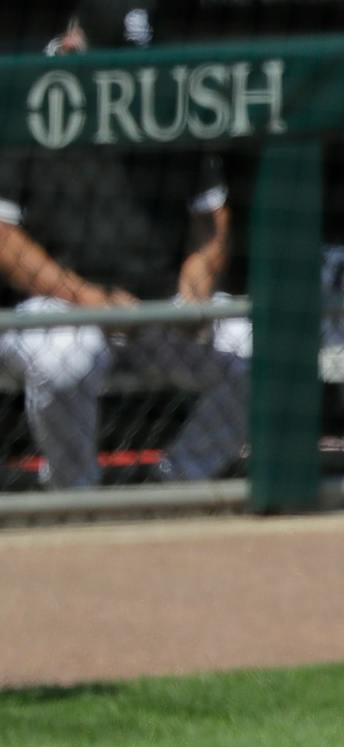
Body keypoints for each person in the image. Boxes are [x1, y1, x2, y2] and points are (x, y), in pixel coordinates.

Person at [0, 0, 247, 489]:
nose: (130, 80)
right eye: (115, 64)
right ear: (73, 45)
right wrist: (92, 302)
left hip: (156, 312)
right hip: (52, 310)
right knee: (64, 362)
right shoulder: (24, 89)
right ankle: (76, 497)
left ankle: (178, 482)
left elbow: (210, 216)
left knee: (266, 352)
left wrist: (194, 294)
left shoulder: (165, 92)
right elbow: (5, 238)